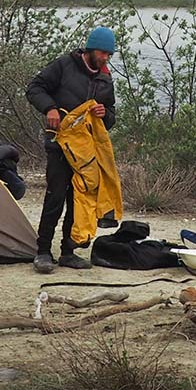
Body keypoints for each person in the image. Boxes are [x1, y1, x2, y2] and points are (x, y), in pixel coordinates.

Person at [24, 26, 118, 273]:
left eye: (109, 54)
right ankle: (43, 252)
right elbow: (34, 88)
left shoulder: (105, 79)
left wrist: (104, 113)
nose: (105, 58)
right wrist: (50, 109)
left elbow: (111, 118)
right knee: (55, 196)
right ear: (90, 48)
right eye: (102, 52)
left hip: (86, 152)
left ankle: (68, 252)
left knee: (79, 199)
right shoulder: (64, 65)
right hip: (59, 145)